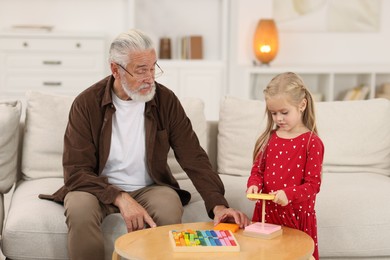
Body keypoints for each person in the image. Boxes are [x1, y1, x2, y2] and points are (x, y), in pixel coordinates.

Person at [39, 29, 250, 260]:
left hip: (149, 187)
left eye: (153, 68)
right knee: (79, 208)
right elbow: (75, 171)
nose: (150, 78)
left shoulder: (165, 100)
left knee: (168, 205)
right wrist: (120, 197)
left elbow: (193, 156)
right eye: (141, 70)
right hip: (96, 188)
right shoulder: (86, 104)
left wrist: (218, 204)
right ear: (115, 70)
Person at [246, 72, 324, 260]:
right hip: (266, 214)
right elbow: (257, 170)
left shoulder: (312, 143)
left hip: (295, 218)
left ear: (302, 105)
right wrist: (253, 183)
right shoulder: (269, 138)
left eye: (284, 112)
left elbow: (313, 185)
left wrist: (289, 195)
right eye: (274, 113)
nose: (279, 118)